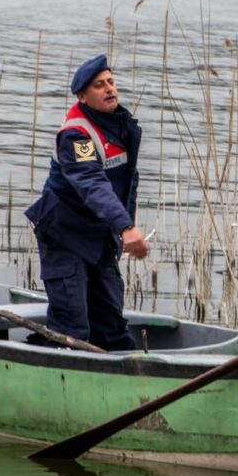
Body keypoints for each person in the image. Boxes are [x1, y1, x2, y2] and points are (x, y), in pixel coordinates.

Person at [24, 54, 149, 351]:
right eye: (99, 85)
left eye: (111, 82)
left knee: (112, 325)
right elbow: (92, 185)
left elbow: (126, 185)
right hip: (65, 236)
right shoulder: (76, 136)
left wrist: (117, 235)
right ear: (82, 96)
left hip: (98, 239)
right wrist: (127, 228)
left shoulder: (120, 125)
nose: (109, 89)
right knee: (73, 327)